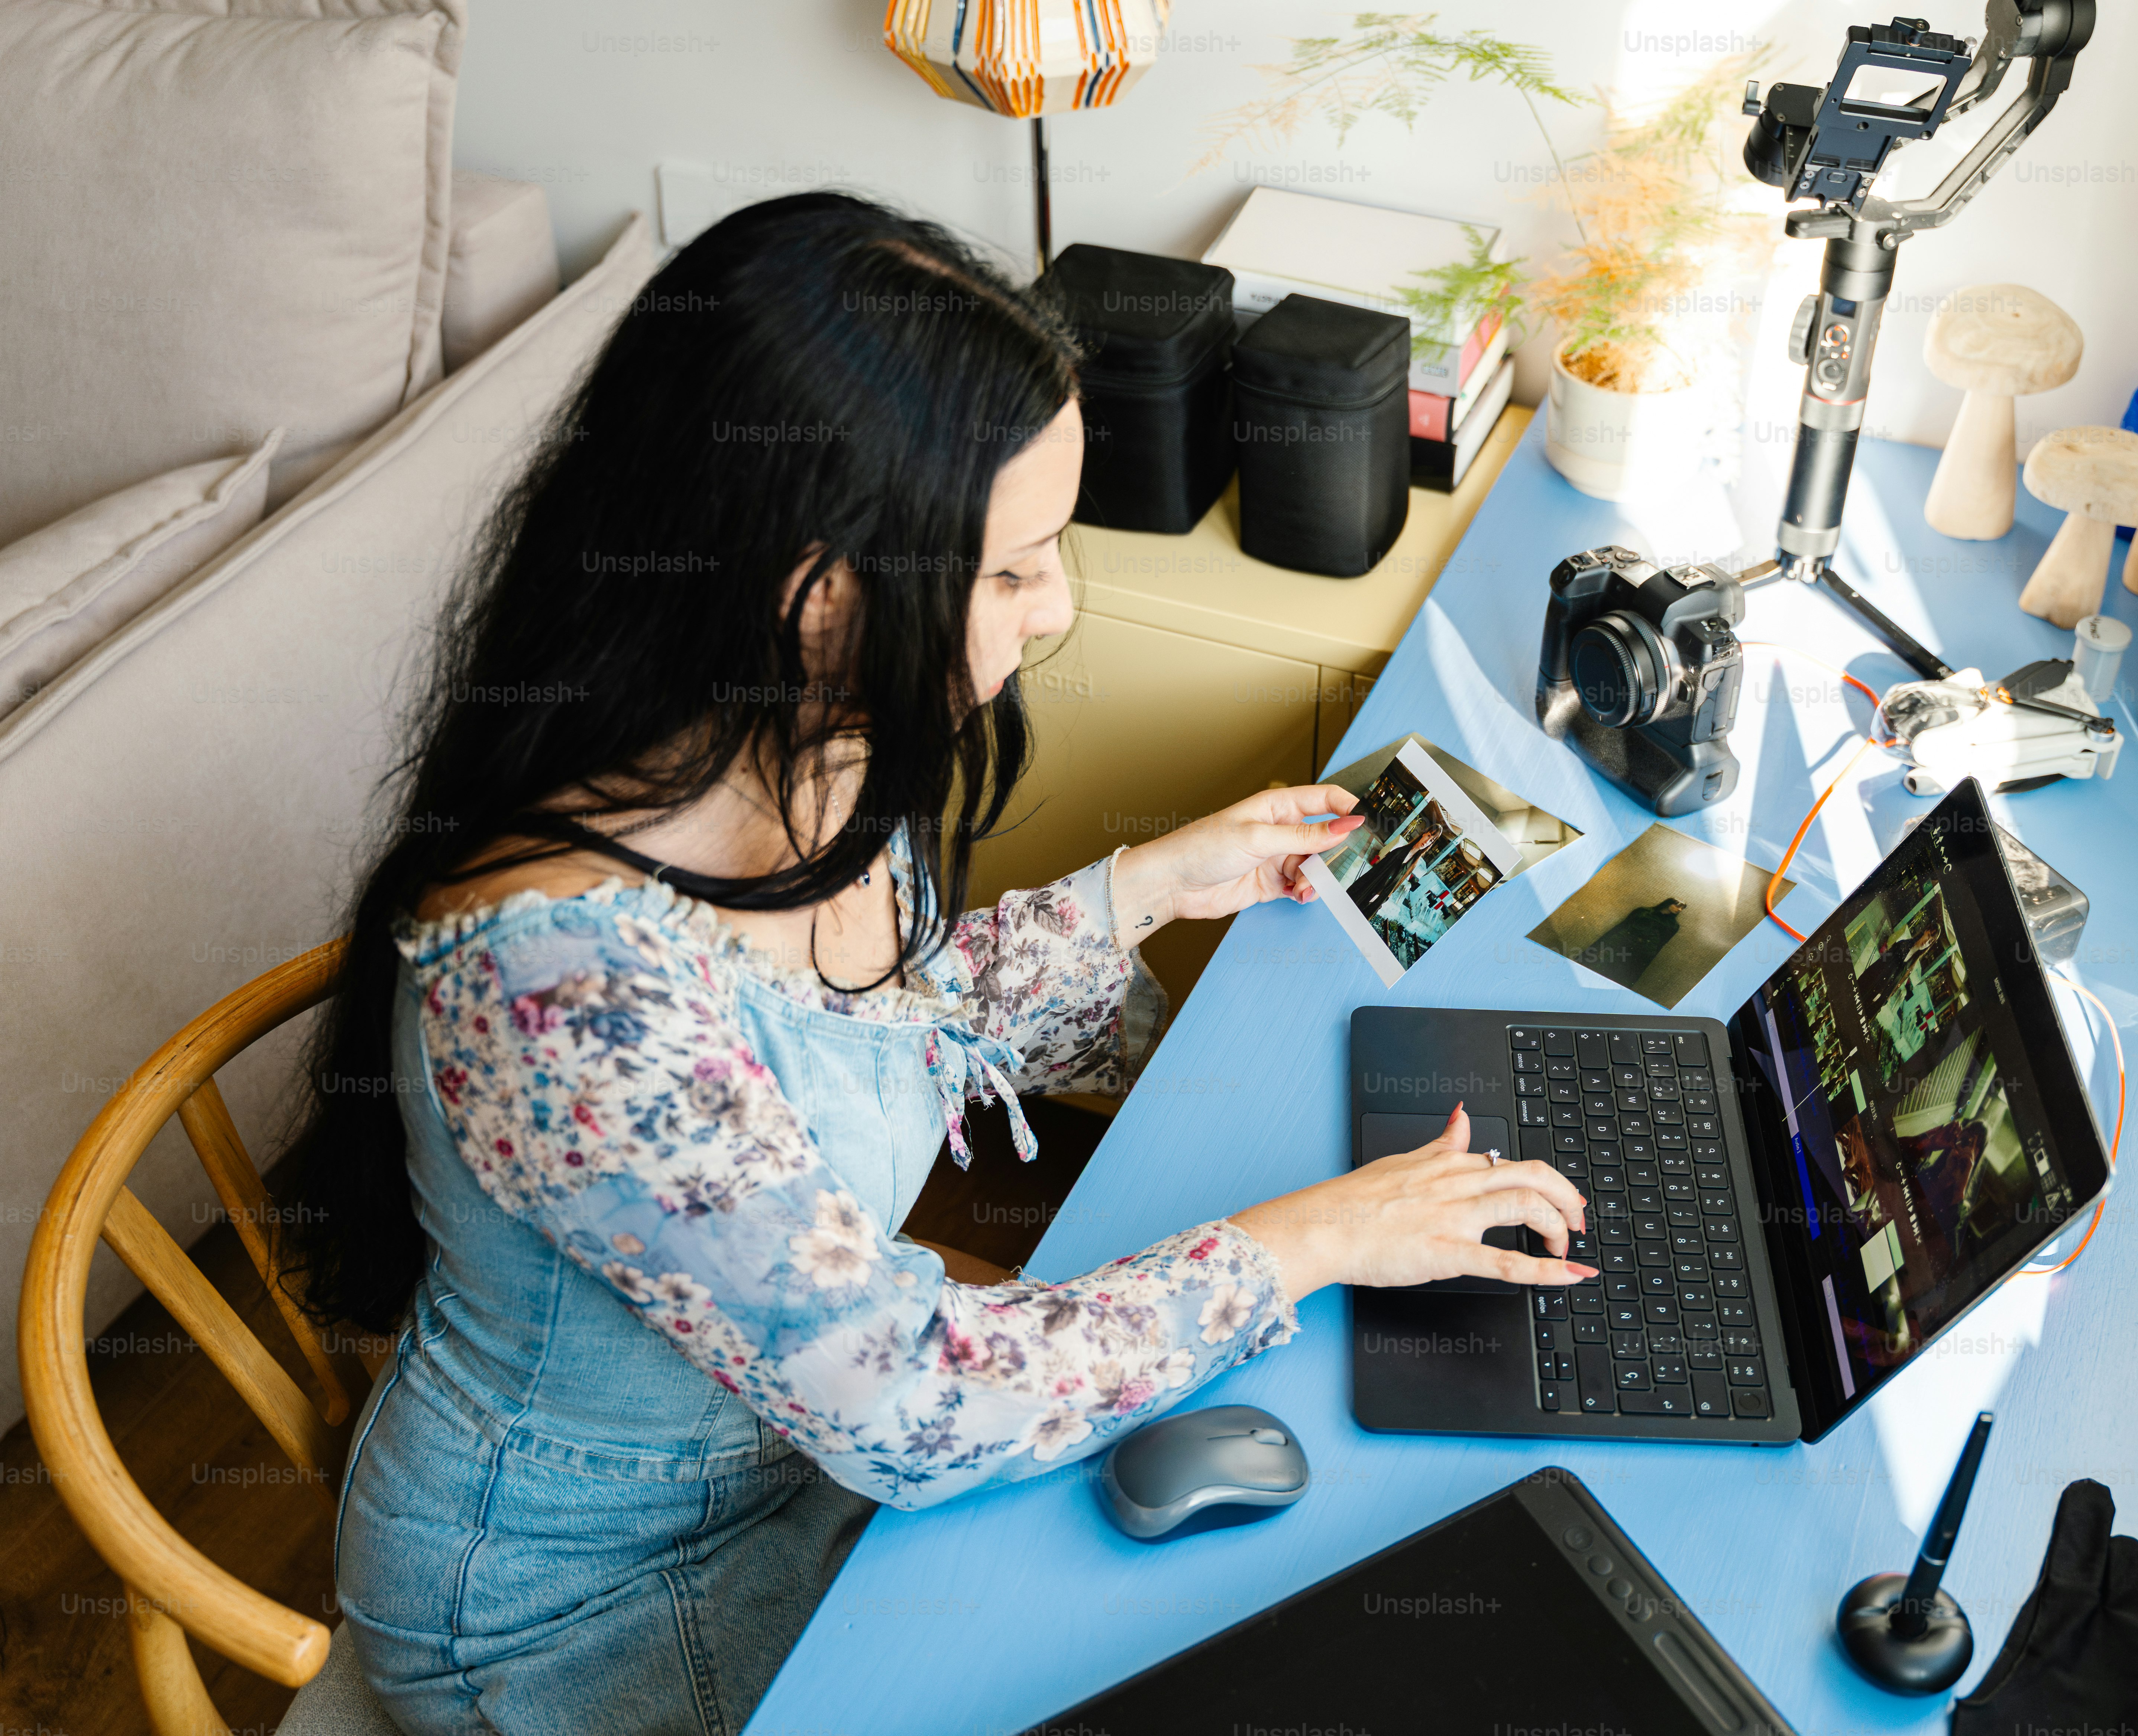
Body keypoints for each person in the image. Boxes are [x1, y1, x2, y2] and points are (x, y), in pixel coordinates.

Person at [273, 193, 1594, 1736]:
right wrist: (1304, 1243)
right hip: (582, 1614)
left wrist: (1145, 889)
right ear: (818, 590)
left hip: (807, 1442)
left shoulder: (809, 744)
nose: (1061, 608)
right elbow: (913, 1402)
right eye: (1017, 567)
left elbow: (883, 1018)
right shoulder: (572, 993)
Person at [1573, 895, 1688, 989]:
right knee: (1599, 968)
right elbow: (1623, 926)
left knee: (1616, 977)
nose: (1679, 910)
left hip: (1639, 954)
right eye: (1678, 906)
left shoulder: (1673, 926)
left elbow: (1660, 945)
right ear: (1669, 903)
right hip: (1620, 944)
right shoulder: (1644, 912)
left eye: (1682, 909)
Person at [1347, 817, 1442, 919]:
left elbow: (1396, 883)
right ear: (1424, 834)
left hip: (1381, 896)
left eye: (1431, 840)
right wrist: (1377, 893)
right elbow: (1379, 871)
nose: (1427, 841)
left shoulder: (1414, 864)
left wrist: (1382, 898)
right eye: (1429, 836)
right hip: (1371, 886)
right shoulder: (1400, 851)